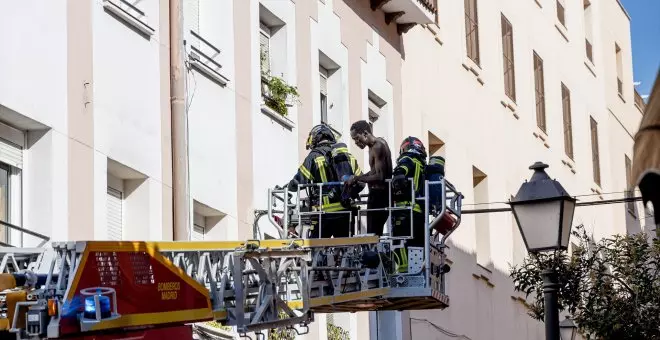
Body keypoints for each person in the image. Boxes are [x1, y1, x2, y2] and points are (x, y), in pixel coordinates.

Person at [288, 124, 354, 239]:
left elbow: (298, 181)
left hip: (323, 214)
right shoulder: (347, 156)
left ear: (315, 139)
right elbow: (360, 181)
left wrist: (288, 187)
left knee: (317, 251)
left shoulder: (314, 156)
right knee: (345, 250)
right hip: (345, 212)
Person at [345, 120, 393, 236]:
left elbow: (380, 176)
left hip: (380, 196)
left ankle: (374, 254)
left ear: (365, 134)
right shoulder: (372, 147)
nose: (356, 142)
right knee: (372, 235)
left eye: (357, 138)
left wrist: (356, 179)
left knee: (373, 235)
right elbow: (373, 172)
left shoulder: (378, 146)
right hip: (377, 195)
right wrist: (355, 177)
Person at [390, 136, 428, 273]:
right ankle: (417, 271)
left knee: (399, 241)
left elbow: (401, 171)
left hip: (404, 210)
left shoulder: (408, 158)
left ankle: (404, 271)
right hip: (420, 213)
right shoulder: (424, 166)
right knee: (417, 244)